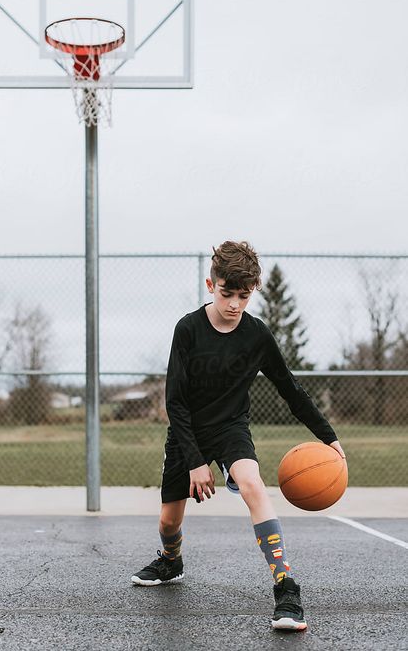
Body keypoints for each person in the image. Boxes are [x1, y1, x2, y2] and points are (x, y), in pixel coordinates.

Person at [131, 240, 345, 632]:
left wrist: (328, 436)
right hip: (188, 431)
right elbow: (174, 401)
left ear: (255, 290)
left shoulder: (257, 336)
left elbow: (290, 388)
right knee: (167, 522)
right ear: (211, 285)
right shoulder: (189, 329)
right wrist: (195, 460)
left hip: (231, 427)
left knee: (253, 486)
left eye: (243, 296)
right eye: (227, 293)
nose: (234, 303)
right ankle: (171, 559)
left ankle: (286, 589)